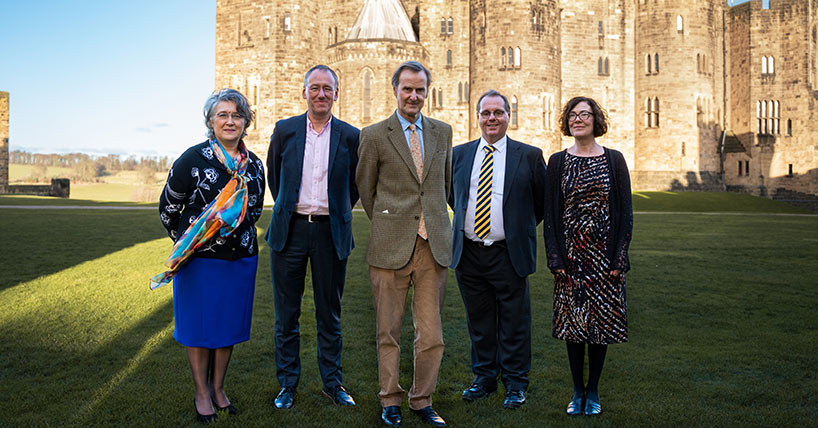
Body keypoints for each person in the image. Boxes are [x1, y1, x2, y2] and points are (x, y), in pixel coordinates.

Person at [154, 88, 266, 423]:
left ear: (246, 122)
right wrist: (191, 240)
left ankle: (219, 388)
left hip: (240, 259)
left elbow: (255, 210)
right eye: (223, 115)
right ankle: (202, 393)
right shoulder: (192, 159)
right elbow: (168, 208)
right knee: (200, 328)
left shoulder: (254, 165)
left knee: (227, 327)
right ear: (210, 121)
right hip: (199, 262)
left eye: (237, 115)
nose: (230, 121)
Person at [356, 61, 452, 427]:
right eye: (407, 89)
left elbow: (441, 185)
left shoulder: (443, 132)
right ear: (395, 90)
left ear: (427, 92)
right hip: (389, 246)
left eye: (420, 90)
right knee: (388, 331)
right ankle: (390, 399)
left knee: (432, 334)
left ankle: (422, 400)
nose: (414, 96)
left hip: (433, 247)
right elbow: (366, 189)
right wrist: (389, 221)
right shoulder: (375, 134)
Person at [265, 65, 359, 409]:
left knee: (329, 315)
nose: (321, 94)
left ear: (337, 93)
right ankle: (288, 385)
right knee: (286, 316)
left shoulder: (351, 136)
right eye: (315, 88)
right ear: (304, 92)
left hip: (330, 232)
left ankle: (332, 384)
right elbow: (276, 178)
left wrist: (334, 210)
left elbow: (353, 186)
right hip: (289, 232)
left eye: (327, 89)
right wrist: (293, 207)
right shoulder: (285, 130)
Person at [449, 90, 546, 410]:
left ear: (508, 116)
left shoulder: (529, 155)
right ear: (477, 117)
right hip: (470, 253)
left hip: (508, 252)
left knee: (514, 322)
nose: (492, 118)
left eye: (498, 112)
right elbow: (454, 197)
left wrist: (514, 228)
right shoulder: (460, 155)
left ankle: (516, 383)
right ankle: (484, 379)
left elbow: (540, 203)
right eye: (485, 113)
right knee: (479, 322)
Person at [543, 96, 633, 416]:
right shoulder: (557, 162)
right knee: (574, 325)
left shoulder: (614, 159)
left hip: (604, 259)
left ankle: (592, 389)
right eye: (572, 115)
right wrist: (555, 259)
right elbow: (551, 214)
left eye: (585, 114)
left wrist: (619, 258)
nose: (577, 119)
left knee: (600, 327)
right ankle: (576, 391)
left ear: (596, 121)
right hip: (571, 260)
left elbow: (625, 213)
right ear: (567, 122)